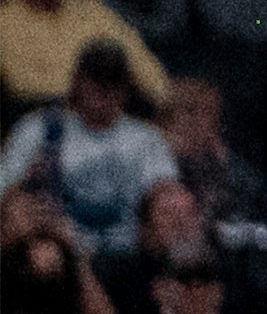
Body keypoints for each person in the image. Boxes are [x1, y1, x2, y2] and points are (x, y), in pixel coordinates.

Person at [0, 39, 176, 256]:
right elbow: (4, 188)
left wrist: (160, 202)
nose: (103, 91)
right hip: (57, 251)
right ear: (78, 81)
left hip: (131, 250)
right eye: (96, 81)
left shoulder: (146, 138)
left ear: (125, 89)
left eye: (112, 84)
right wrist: (25, 181)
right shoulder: (38, 129)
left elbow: (167, 192)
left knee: (174, 206)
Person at [0, 0, 164, 110]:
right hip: (47, 117)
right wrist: (90, 93)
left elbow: (133, 53)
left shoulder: (88, 6)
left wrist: (163, 95)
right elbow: (21, 84)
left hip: (109, 109)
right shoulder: (5, 20)